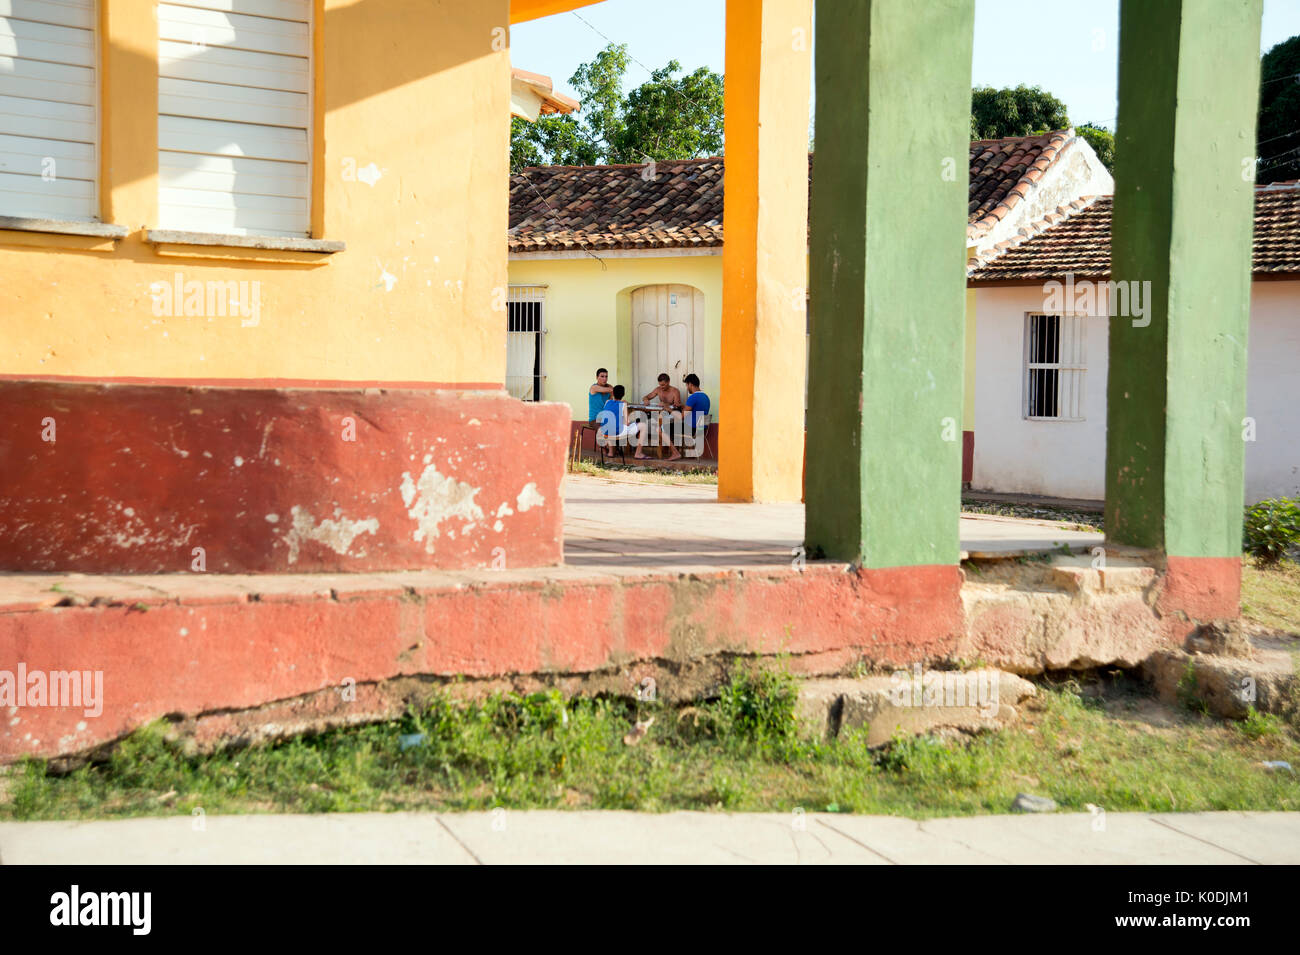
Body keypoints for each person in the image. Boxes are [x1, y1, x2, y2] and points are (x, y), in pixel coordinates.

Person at [597, 385, 649, 458]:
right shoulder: (623, 404)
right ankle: (638, 453)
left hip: (605, 432)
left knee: (610, 424)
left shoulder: (607, 402)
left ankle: (611, 452)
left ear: (613, 394)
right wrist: (632, 421)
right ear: (623, 394)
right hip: (617, 433)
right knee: (643, 426)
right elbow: (627, 422)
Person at [642, 372, 683, 461]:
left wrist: (665, 404)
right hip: (661, 414)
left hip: (671, 415)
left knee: (660, 426)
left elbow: (677, 406)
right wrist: (645, 400)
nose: (662, 387)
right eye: (660, 385)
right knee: (642, 418)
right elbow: (646, 397)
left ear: (668, 382)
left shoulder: (675, 391)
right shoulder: (658, 389)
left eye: (664, 385)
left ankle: (667, 449)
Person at [683, 373, 711, 456]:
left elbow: (682, 415)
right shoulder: (706, 397)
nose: (687, 388)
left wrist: (669, 409)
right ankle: (689, 453)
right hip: (702, 429)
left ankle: (674, 453)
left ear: (690, 384)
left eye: (687, 385)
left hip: (692, 429)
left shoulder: (692, 397)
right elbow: (695, 409)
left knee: (665, 427)